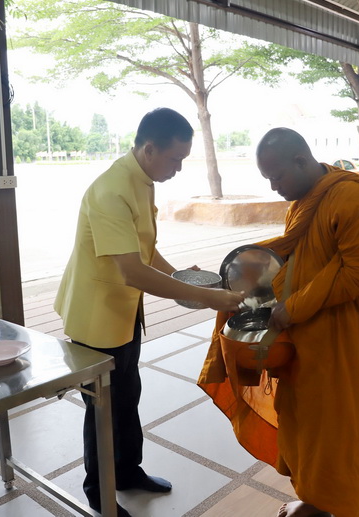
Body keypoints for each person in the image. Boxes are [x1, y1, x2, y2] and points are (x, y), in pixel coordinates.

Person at [53, 108, 243, 516]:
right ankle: (100, 494)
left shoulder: (143, 178)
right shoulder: (111, 190)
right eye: (175, 159)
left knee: (127, 395)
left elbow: (144, 249)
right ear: (149, 148)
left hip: (123, 312)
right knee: (101, 409)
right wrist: (212, 299)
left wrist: (178, 276)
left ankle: (127, 471)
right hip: (96, 315)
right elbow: (131, 269)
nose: (178, 168)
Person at [199, 127, 359, 517]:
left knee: (338, 424)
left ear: (301, 162)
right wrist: (246, 278)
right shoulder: (304, 199)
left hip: (344, 331)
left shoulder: (351, 196)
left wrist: (287, 311)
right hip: (306, 331)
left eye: (277, 177)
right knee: (303, 421)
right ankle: (314, 498)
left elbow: (357, 272)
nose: (273, 187)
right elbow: (301, 257)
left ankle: (339, 505)